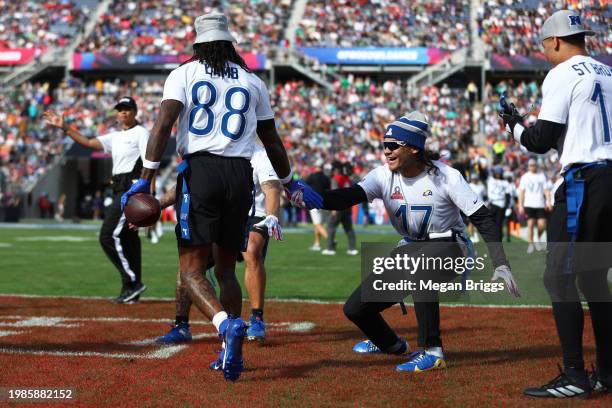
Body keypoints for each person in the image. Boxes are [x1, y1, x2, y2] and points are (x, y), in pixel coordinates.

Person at [121, 12, 321, 382]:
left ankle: (225, 325)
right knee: (227, 270)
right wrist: (291, 181)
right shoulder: (252, 81)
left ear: (198, 44)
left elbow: (164, 124)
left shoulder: (184, 73)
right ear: (230, 43)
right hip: (239, 176)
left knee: (191, 270)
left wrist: (145, 179)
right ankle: (232, 346)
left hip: (201, 172)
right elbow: (272, 141)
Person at [318, 111, 519, 372]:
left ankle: (433, 351)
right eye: (384, 146)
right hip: (411, 247)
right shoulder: (382, 175)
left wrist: (500, 263)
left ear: (413, 148)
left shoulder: (447, 176)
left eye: (392, 146)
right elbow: (348, 196)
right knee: (356, 309)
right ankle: (390, 344)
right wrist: (310, 196)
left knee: (422, 265)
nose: (386, 151)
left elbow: (484, 219)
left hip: (451, 246)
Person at [499, 10, 612, 398]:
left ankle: (575, 375)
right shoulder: (608, 72)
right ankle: (608, 373)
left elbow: (540, 141)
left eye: (545, 45)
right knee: (595, 278)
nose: (544, 52)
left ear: (556, 41)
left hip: (585, 180)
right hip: (609, 177)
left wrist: (512, 124)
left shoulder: (562, 73)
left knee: (559, 276)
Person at [156, 143, 283, 345]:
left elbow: (272, 186)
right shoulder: (209, 151)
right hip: (216, 214)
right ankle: (181, 325)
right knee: (187, 268)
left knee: (247, 255)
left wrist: (272, 216)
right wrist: (157, 205)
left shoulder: (257, 153)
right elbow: (183, 185)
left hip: (254, 214)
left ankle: (255, 318)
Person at [43, 96, 149, 304]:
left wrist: (145, 196)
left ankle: (133, 282)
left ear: (135, 111)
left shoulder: (142, 133)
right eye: (120, 109)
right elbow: (88, 142)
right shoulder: (116, 136)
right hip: (120, 186)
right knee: (128, 239)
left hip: (132, 187)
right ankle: (130, 289)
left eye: (127, 109)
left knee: (108, 236)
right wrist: (65, 127)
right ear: (117, 113)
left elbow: (148, 163)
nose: (123, 112)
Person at [322, 162, 358, 256]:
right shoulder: (348, 180)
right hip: (347, 207)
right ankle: (352, 248)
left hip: (338, 207)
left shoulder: (336, 179)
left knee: (331, 227)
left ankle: (330, 248)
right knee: (349, 229)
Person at [518, 159, 551, 253]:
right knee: (530, 225)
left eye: (534, 165)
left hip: (540, 204)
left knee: (542, 225)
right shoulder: (525, 177)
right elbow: (521, 192)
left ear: (536, 166)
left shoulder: (541, 176)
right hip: (529, 204)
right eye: (531, 165)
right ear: (528, 166)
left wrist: (548, 202)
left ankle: (537, 238)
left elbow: (546, 190)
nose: (532, 167)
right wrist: (520, 205)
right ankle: (531, 244)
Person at [305, 161, 331, 251]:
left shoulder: (312, 176)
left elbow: (304, 186)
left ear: (316, 166)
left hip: (314, 202)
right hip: (324, 203)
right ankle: (317, 244)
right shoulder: (326, 178)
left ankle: (330, 240)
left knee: (318, 224)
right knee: (319, 225)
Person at [487, 166, 511, 238]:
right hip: (492, 203)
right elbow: (482, 173)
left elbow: (508, 195)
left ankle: (499, 238)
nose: (498, 174)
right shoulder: (490, 180)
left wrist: (508, 207)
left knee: (499, 224)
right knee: (490, 223)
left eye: (499, 173)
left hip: (501, 205)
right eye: (496, 173)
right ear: (494, 173)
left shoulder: (505, 182)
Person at [468, 173, 486, 242]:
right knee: (471, 222)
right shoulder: (469, 185)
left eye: (475, 179)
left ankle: (475, 234)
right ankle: (471, 236)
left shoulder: (481, 187)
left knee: (478, 222)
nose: (474, 180)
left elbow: (484, 196)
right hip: (471, 206)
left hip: (479, 206)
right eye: (473, 179)